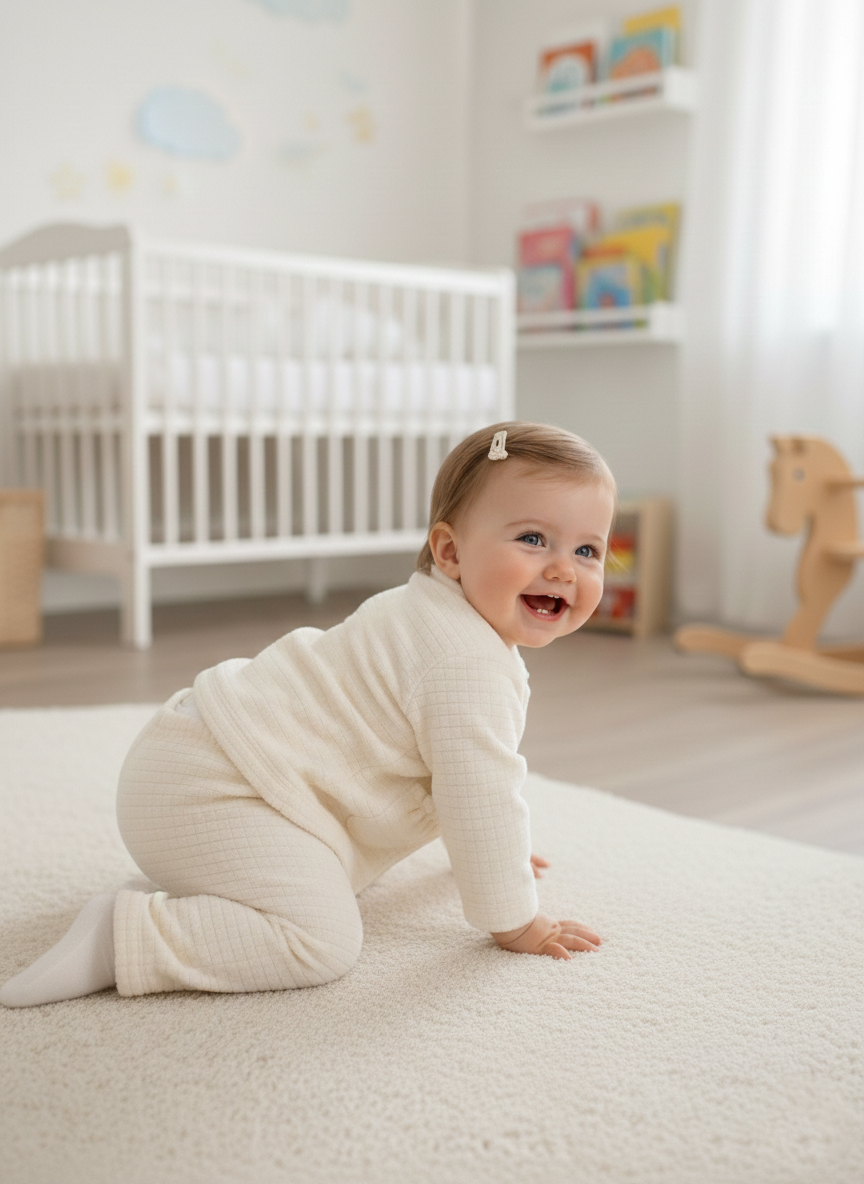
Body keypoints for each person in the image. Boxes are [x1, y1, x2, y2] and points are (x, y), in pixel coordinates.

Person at [0, 421, 615, 1008]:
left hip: (194, 757)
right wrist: (517, 920)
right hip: (216, 791)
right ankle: (125, 936)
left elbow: (460, 785)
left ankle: (205, 894)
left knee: (336, 875)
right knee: (321, 940)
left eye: (587, 550)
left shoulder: (422, 610)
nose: (564, 568)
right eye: (533, 539)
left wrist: (491, 849)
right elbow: (478, 790)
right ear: (450, 551)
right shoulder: (466, 663)